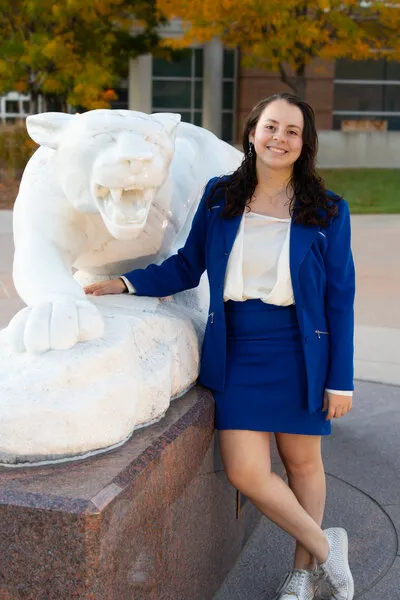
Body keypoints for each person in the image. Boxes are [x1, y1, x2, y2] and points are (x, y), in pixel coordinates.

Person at [85, 93, 355, 600]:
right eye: (271, 126)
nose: (280, 138)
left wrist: (341, 378)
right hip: (239, 349)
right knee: (246, 471)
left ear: (304, 143)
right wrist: (126, 284)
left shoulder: (327, 210)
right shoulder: (220, 195)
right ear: (252, 133)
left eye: (292, 131)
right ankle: (326, 545)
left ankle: (301, 573)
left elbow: (341, 299)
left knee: (302, 464)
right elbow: (187, 266)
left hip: (302, 352)